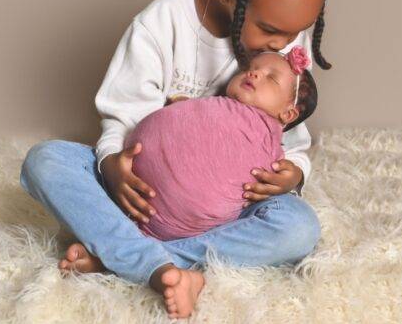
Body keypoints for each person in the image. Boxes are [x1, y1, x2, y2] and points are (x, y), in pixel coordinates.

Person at [20, 0, 334, 319]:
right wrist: (112, 166)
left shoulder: (285, 40)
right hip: (143, 196)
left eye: (295, 34)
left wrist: (294, 174)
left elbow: (289, 133)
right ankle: (145, 256)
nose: (282, 45)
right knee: (45, 161)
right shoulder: (160, 24)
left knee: (300, 227)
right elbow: (123, 116)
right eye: (271, 31)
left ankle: (140, 261)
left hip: (222, 206)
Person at [126, 47, 318, 241]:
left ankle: (164, 254)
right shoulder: (208, 106)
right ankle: (152, 252)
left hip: (190, 223)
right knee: (94, 160)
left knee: (299, 224)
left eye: (271, 78)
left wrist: (292, 176)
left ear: (288, 113)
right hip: (128, 186)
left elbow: (294, 157)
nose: (254, 73)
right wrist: (182, 109)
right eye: (250, 68)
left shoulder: (270, 147)